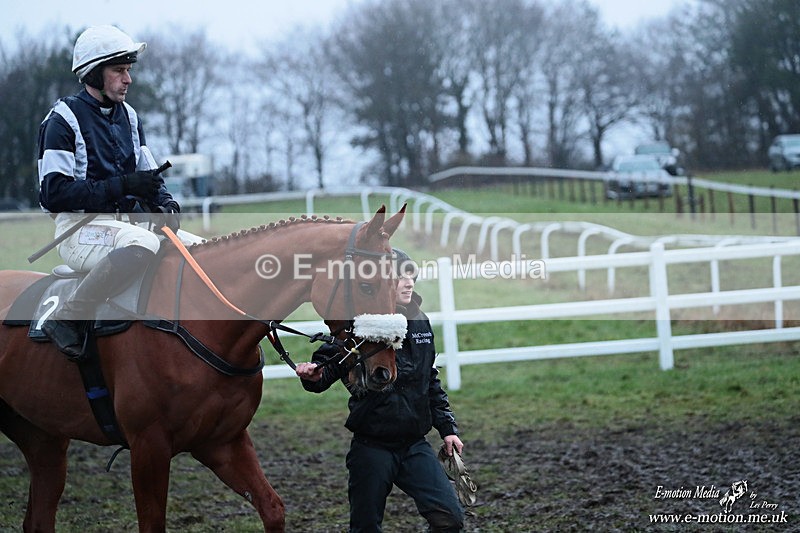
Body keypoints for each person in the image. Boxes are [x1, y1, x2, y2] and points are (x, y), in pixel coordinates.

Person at [37, 24, 202, 358]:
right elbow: (53, 195)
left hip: (126, 227)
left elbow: (149, 176)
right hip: (78, 232)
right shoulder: (62, 120)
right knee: (143, 243)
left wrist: (167, 204)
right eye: (119, 71)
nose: (128, 79)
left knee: (205, 249)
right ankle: (68, 318)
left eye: (128, 70)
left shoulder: (129, 116)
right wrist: (123, 186)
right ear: (94, 74)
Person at [295, 249, 466, 532]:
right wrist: (313, 375)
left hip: (414, 444)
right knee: (364, 528)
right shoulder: (363, 326)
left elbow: (429, 379)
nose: (409, 282)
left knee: (450, 519)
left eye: (411, 275)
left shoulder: (420, 322)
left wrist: (447, 429)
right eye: (401, 277)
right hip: (371, 448)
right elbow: (326, 370)